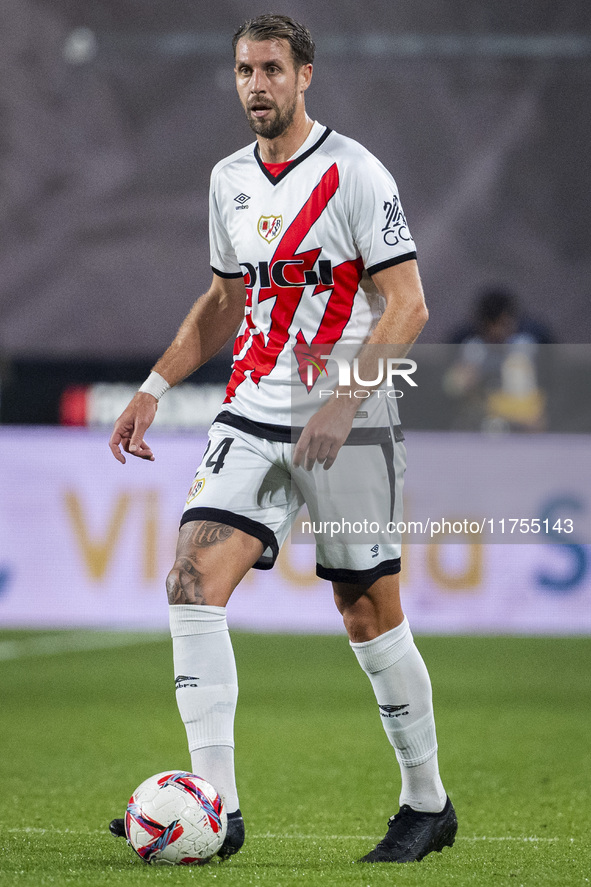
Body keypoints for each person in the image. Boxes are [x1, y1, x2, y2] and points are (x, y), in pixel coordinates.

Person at [108, 14, 457, 864]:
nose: (254, 84)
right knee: (191, 578)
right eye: (242, 70)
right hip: (250, 413)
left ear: (305, 77)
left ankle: (427, 802)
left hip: (350, 421)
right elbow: (225, 299)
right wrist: (155, 386)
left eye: (270, 69)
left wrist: (342, 401)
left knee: (366, 610)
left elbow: (407, 305)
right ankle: (214, 809)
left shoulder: (354, 173)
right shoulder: (228, 178)